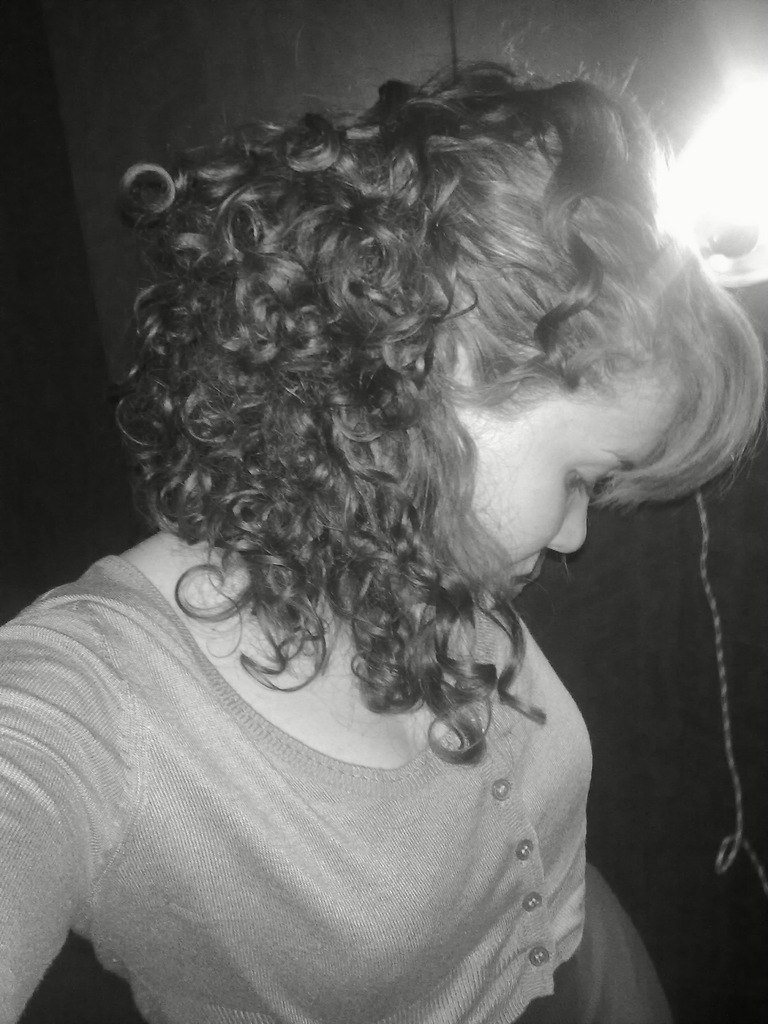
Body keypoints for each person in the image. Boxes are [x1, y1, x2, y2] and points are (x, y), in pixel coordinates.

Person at [0, 61, 764, 1024]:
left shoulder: (407, 534)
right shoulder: (93, 700)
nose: (575, 534)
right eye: (581, 476)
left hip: (596, 967)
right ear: (430, 366)